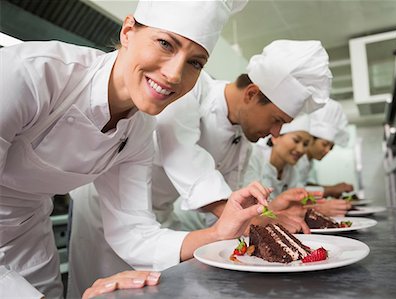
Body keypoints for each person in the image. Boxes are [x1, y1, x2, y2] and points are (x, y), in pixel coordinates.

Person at [0, 0, 253, 298]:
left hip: (27, 234)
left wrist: (219, 234)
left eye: (195, 62)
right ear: (128, 31)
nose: (174, 75)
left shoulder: (140, 130)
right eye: (165, 44)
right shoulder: (30, 74)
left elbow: (132, 231)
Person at [68, 39, 333, 295]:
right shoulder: (191, 90)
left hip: (159, 220)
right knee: (106, 291)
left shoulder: (242, 143)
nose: (275, 133)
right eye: (276, 120)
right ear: (252, 94)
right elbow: (182, 156)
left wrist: (265, 216)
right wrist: (247, 217)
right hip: (108, 212)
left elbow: (225, 210)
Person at [294, 99, 353, 216]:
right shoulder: (295, 157)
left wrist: (331, 188)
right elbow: (292, 191)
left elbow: (301, 184)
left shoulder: (308, 161)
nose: (327, 151)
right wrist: (330, 190)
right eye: (325, 144)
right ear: (310, 139)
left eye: (331, 148)